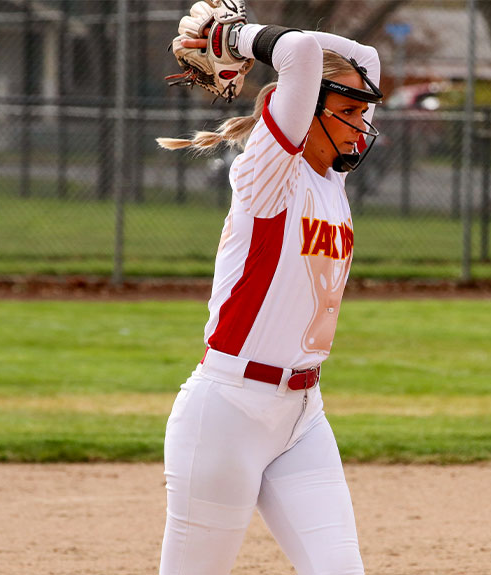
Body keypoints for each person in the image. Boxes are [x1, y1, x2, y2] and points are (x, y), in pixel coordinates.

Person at [155, 13, 383, 575]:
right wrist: (236, 39)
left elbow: (366, 60)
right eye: (349, 112)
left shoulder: (332, 178)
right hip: (227, 412)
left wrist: (235, 43)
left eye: (362, 111)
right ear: (307, 110)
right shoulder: (268, 173)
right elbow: (302, 52)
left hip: (304, 416)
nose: (363, 125)